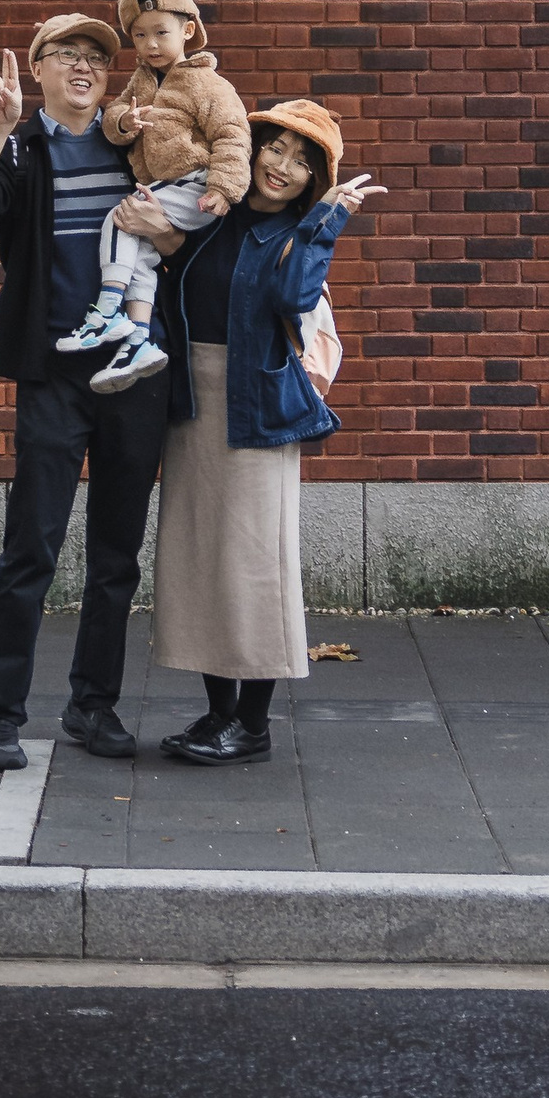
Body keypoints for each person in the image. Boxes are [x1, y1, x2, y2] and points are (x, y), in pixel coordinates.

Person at [0, 11, 169, 771]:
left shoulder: (133, 141)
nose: (83, 66)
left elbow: (192, 220)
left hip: (133, 370)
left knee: (116, 556)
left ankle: (91, 706)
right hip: (54, 373)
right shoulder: (22, 147)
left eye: (95, 58)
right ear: (38, 70)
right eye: (66, 54)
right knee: (30, 546)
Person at [144, 100, 382, 765]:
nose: (282, 167)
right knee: (202, 561)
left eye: (302, 163)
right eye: (275, 148)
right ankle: (218, 714)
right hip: (194, 401)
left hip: (258, 407)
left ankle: (251, 725)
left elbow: (291, 300)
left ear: (313, 183)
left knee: (255, 566)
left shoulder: (297, 237)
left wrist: (325, 225)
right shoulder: (213, 213)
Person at [56, 0, 252, 393]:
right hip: (168, 189)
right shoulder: (141, 81)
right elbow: (111, 119)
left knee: (122, 218)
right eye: (140, 36)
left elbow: (233, 134)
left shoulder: (207, 83)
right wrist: (125, 121)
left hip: (196, 185)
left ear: (188, 30)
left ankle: (108, 309)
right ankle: (139, 340)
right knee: (141, 253)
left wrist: (223, 187)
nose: (150, 45)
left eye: (161, 32)